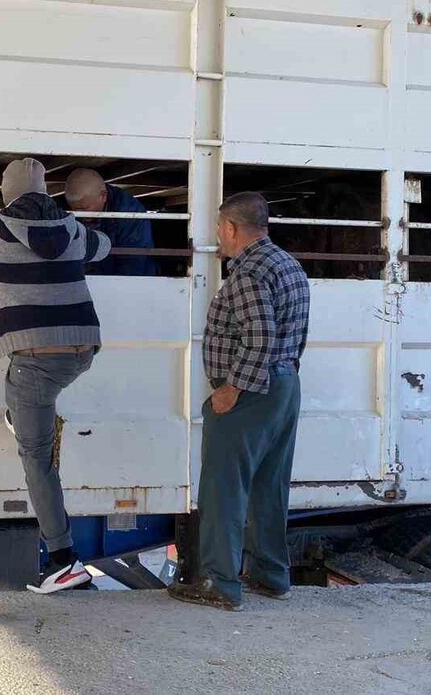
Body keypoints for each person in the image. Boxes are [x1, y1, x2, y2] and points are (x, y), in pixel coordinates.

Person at [0, 158, 111, 593]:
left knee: (36, 460)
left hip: (35, 358)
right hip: (82, 347)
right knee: (31, 393)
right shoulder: (72, 229)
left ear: (6, 193)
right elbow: (104, 246)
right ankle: (26, 415)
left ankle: (62, 559)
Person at [168, 192, 310, 612]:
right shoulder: (288, 264)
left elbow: (259, 336)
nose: (218, 236)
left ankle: (220, 583)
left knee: (224, 489)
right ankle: (271, 575)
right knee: (269, 485)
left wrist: (232, 388)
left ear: (231, 228)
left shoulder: (249, 273)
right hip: (284, 386)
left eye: (218, 228)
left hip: (251, 391)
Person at [63, 168, 158, 276]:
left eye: (85, 208)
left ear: (103, 196)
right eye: (74, 208)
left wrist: (117, 288)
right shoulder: (63, 210)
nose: (79, 213)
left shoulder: (129, 212)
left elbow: (134, 261)